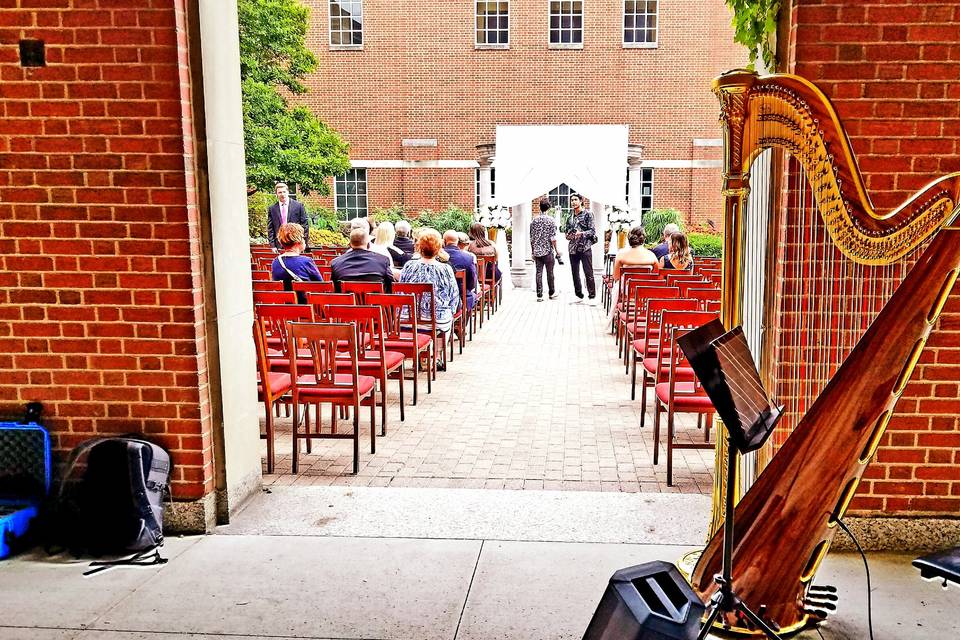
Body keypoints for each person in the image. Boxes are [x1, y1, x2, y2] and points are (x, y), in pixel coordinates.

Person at [399, 229, 461, 369]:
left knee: (436, 319)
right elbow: (454, 295)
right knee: (445, 322)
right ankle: (437, 356)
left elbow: (401, 289)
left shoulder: (409, 266)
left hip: (409, 318)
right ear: (439, 248)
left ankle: (422, 355)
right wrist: (450, 311)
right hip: (437, 319)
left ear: (419, 248)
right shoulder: (445, 269)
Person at [609, 226, 659, 315]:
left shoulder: (621, 254)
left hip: (626, 290)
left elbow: (616, 277)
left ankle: (618, 314)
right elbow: (655, 277)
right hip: (644, 291)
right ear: (643, 239)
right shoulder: (651, 256)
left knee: (617, 286)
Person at [270, 223, 323, 303]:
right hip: (306, 309)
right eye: (302, 237)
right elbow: (322, 286)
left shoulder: (275, 262)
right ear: (298, 241)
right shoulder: (306, 261)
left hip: (284, 310)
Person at [330, 227, 394, 291]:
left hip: (346, 301)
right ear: (368, 245)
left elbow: (335, 289)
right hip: (376, 301)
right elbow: (391, 286)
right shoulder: (383, 261)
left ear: (349, 245)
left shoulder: (336, 263)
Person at [564, 193, 597, 303]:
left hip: (585, 247)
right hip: (573, 248)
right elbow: (567, 231)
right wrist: (568, 236)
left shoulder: (588, 214)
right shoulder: (570, 216)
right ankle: (578, 295)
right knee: (575, 273)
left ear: (581, 201)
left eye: (575, 200)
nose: (573, 202)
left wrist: (581, 234)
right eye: (571, 200)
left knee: (588, 272)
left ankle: (592, 296)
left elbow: (592, 231)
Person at [530, 198, 558, 301]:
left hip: (537, 251)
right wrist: (557, 251)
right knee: (550, 273)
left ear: (539, 207)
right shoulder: (551, 221)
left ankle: (539, 295)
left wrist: (533, 251)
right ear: (549, 208)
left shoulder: (534, 221)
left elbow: (532, 238)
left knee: (538, 273)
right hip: (548, 251)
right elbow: (553, 239)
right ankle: (551, 293)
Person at [442, 230, 477, 311]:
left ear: (444, 241)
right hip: (462, 295)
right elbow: (472, 280)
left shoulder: (437, 256)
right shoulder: (468, 257)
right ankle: (464, 322)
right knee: (473, 296)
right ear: (457, 241)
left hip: (442, 296)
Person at [267, 183, 309, 251]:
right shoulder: (272, 209)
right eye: (280, 192)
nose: (282, 194)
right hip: (279, 245)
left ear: (288, 192)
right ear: (276, 194)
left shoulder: (298, 206)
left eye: (284, 192)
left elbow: (305, 225)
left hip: (295, 244)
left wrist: (303, 243)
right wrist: (272, 246)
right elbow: (270, 229)